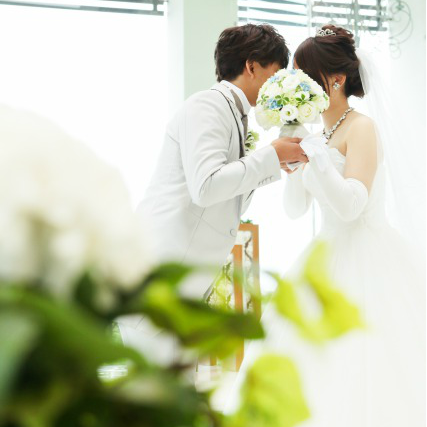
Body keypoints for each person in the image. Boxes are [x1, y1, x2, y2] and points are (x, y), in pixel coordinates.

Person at [226, 25, 426, 426]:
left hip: (369, 258)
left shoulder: (362, 127)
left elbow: (352, 205)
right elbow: (295, 209)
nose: (298, 83)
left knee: (364, 365)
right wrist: (295, 152)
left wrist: (316, 157)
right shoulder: (318, 134)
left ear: (335, 80)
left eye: (304, 75)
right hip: (324, 253)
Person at [117, 24, 308, 364]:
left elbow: (228, 198)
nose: (277, 83)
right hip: (161, 272)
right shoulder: (207, 105)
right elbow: (206, 187)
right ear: (252, 66)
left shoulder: (233, 113)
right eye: (276, 73)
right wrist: (270, 156)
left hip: (183, 278)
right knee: (151, 385)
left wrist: (275, 162)